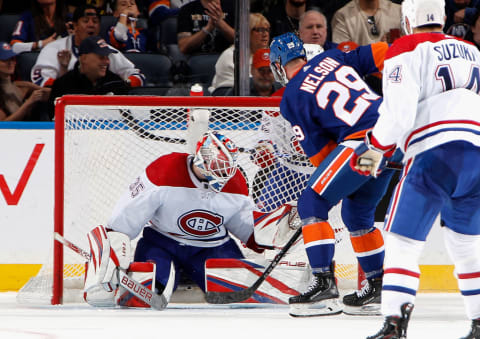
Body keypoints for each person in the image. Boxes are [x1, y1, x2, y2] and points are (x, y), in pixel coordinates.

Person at [350, 0, 480, 338]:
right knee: (466, 243)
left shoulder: (406, 47)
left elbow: (398, 116)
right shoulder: (472, 49)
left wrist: (370, 155)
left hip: (435, 152)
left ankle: (394, 323)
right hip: (478, 153)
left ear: (409, 19)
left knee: (402, 241)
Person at [269, 32, 397, 317]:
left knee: (312, 203)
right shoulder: (333, 56)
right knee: (357, 213)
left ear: (278, 65)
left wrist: (332, 188)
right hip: (389, 143)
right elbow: (381, 51)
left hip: (365, 146)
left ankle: (323, 285)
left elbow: (321, 157)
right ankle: (376, 288)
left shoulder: (291, 96)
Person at [82, 131, 268, 308]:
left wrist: (269, 239)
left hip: (213, 246)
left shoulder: (235, 182)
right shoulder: (165, 170)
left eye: (226, 166)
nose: (224, 172)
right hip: (162, 244)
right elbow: (123, 221)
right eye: (218, 165)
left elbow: (249, 230)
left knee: (242, 297)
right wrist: (111, 256)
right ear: (203, 158)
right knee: (143, 296)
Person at [31, 4, 145, 87]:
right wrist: (66, 86)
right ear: (74, 26)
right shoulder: (54, 48)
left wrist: (124, 84)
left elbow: (137, 75)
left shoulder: (106, 50)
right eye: (86, 21)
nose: (91, 25)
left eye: (95, 21)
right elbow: (40, 80)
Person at [48, 36, 129, 118]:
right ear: (83, 58)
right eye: (101, 57)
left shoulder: (116, 83)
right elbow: (53, 119)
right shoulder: (62, 84)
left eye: (107, 57)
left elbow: (127, 118)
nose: (107, 61)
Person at [209, 13, 270, 95]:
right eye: (259, 30)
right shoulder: (230, 55)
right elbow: (227, 91)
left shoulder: (270, 55)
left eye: (267, 30)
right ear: (246, 33)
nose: (265, 34)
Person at [0, 42, 50, 120]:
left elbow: (53, 93)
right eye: (5, 60)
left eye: (12, 59)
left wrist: (63, 69)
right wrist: (29, 103)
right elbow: (3, 126)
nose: (11, 63)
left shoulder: (22, 86)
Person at [331, 0, 402, 45]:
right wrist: (380, 48)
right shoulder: (342, 16)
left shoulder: (399, 11)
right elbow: (343, 55)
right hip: (360, 67)